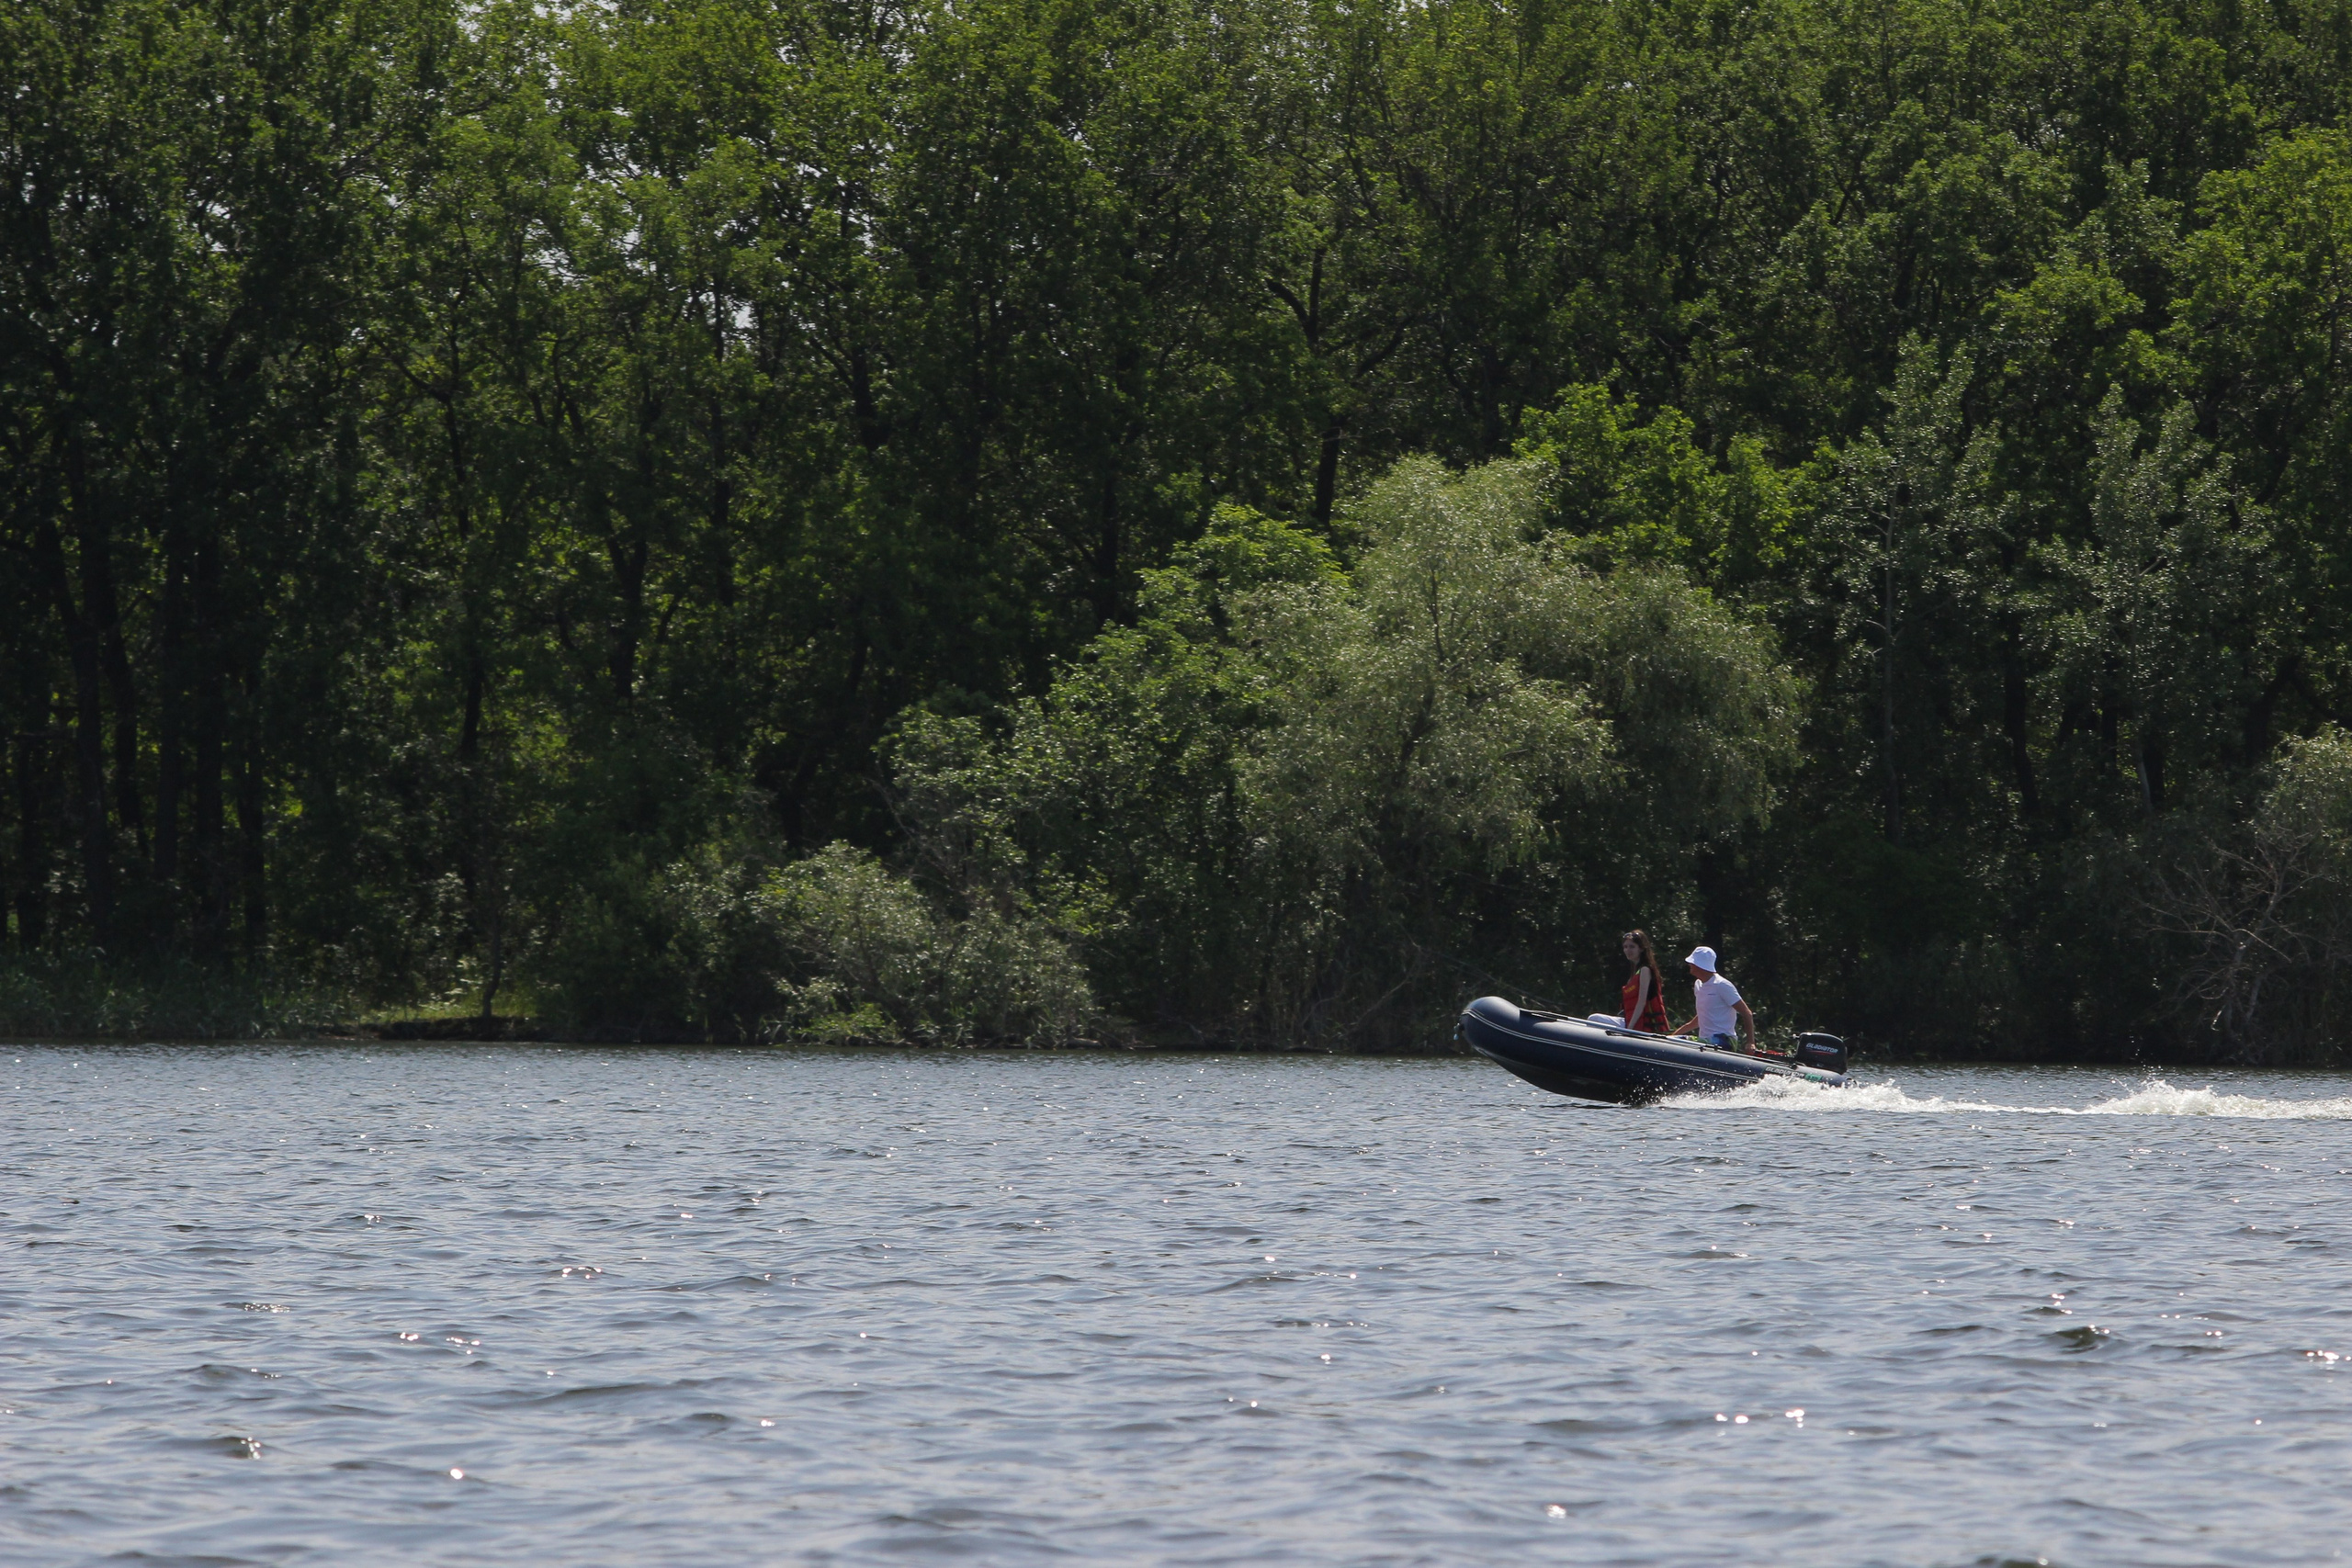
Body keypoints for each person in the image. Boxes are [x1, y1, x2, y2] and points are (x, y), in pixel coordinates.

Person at [1671, 945, 1755, 1053]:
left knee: (1683, 1043)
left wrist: (1750, 1043)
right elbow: (1702, 1017)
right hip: (1705, 1041)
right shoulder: (1698, 985)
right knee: (1674, 1040)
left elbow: (1746, 1013)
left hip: (1724, 1041)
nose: (1689, 965)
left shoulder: (1722, 985)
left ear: (1699, 965)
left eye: (1692, 962)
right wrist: (1673, 1036)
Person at [1616, 930, 1670, 1034]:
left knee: (1594, 1018)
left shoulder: (1645, 970)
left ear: (1641, 948)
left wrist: (1629, 1029)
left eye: (1632, 947)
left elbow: (1641, 1002)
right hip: (1630, 1020)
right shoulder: (1634, 972)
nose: (1628, 950)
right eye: (1625, 947)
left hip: (1640, 1025)